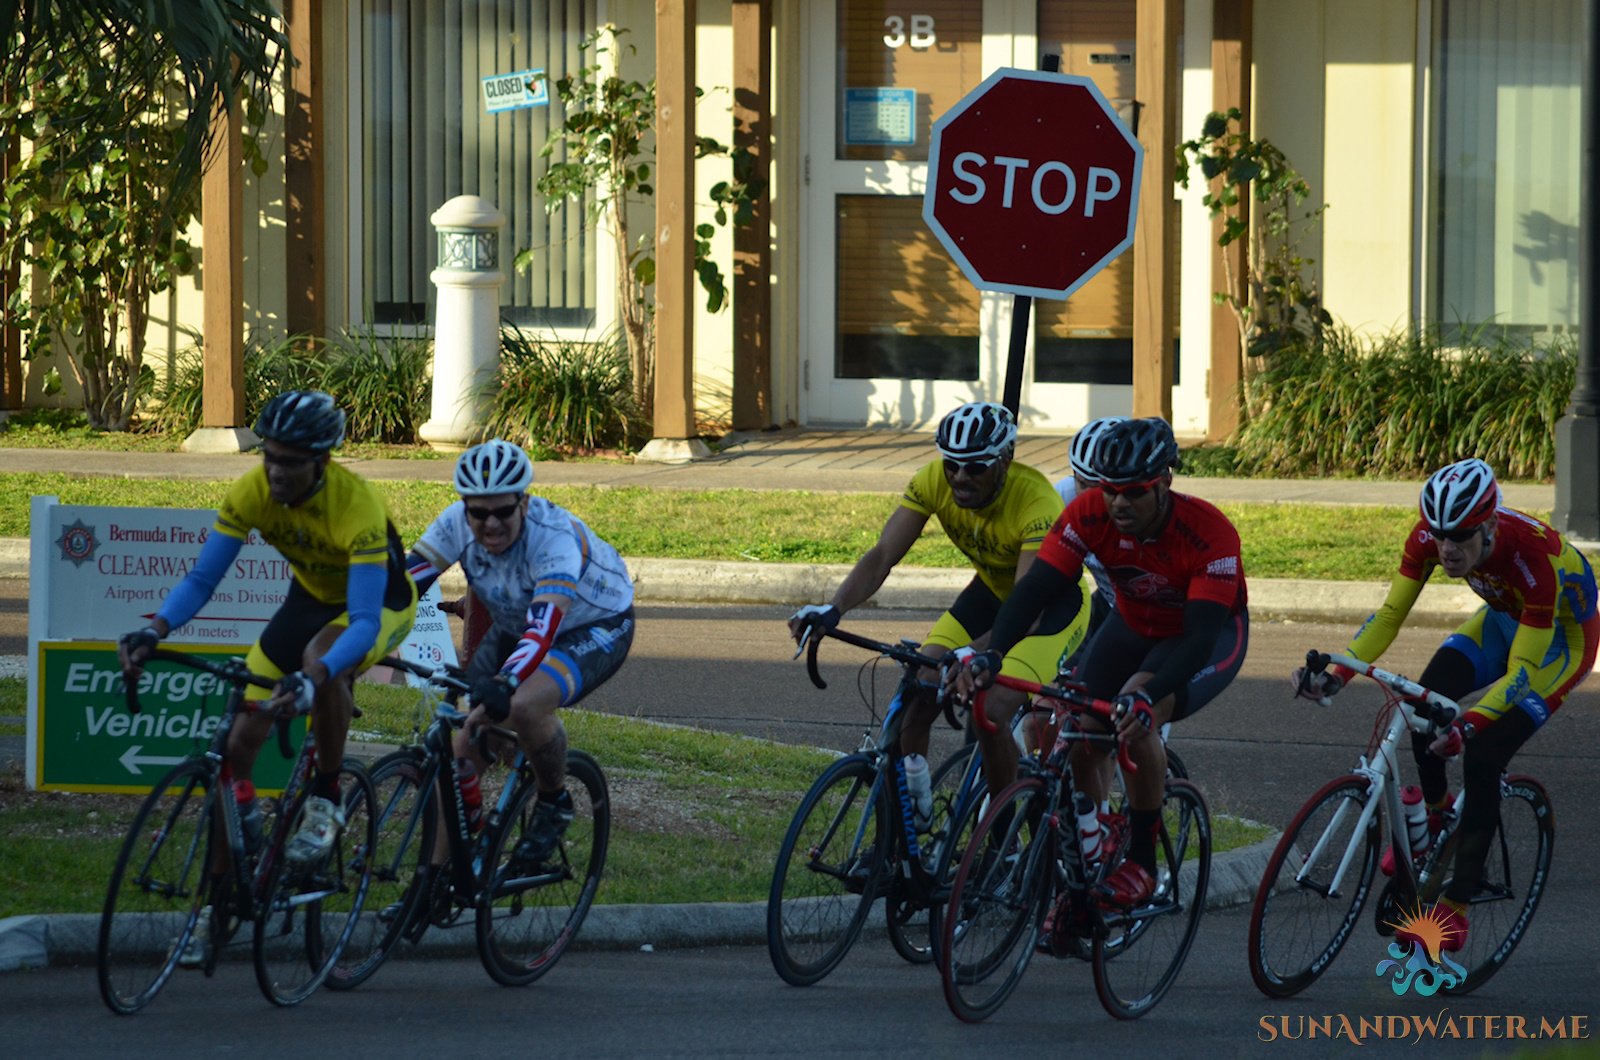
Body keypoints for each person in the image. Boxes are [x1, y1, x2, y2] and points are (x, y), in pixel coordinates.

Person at [1292, 458, 1598, 952]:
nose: (1447, 548)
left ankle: (1456, 906)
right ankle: (1437, 823)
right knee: (1420, 706)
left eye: (1460, 536)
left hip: (1559, 646)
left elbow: (1522, 670)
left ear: (1491, 525)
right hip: (1502, 617)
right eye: (1439, 535)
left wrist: (1471, 725)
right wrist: (1337, 675)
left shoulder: (1533, 560)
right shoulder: (1429, 538)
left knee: (1482, 756)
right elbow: (1391, 614)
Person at [119, 390, 419, 873]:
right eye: (269, 456)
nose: (275, 471)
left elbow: (362, 623)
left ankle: (325, 797)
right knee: (238, 741)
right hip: (309, 598)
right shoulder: (252, 491)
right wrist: (154, 630)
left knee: (321, 659)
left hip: (379, 603)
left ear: (321, 462)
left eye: (291, 462)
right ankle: (228, 876)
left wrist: (315, 676)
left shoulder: (356, 505)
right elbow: (202, 579)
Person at [956, 416, 1249, 908]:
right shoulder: (1089, 512)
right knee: (1080, 727)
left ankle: (1141, 864)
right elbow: (1034, 591)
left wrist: (1147, 699)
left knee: (1135, 712)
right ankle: (1090, 857)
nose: (1118, 503)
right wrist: (992, 652)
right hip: (1132, 624)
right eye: (1111, 490)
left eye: (1133, 493)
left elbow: (1196, 642)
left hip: (1204, 636)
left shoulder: (1209, 533)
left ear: (1165, 483)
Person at [787, 401, 1090, 811]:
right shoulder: (933, 480)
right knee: (919, 687)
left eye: (976, 466)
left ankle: (1002, 836)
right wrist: (833, 608)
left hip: (1047, 612)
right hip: (988, 594)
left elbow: (1027, 601)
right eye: (952, 464)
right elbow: (881, 556)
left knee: (991, 711)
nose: (960, 477)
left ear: (1005, 459)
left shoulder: (1037, 502)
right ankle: (911, 819)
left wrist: (976, 654)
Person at [405, 439, 634, 871]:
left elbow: (544, 628)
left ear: (523, 503)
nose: (490, 523)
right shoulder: (456, 523)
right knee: (458, 756)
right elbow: (402, 584)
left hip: (592, 626)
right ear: (465, 507)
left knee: (523, 705)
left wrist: (506, 683)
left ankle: (553, 802)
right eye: (478, 512)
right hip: (515, 626)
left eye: (502, 512)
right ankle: (433, 880)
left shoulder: (553, 540)